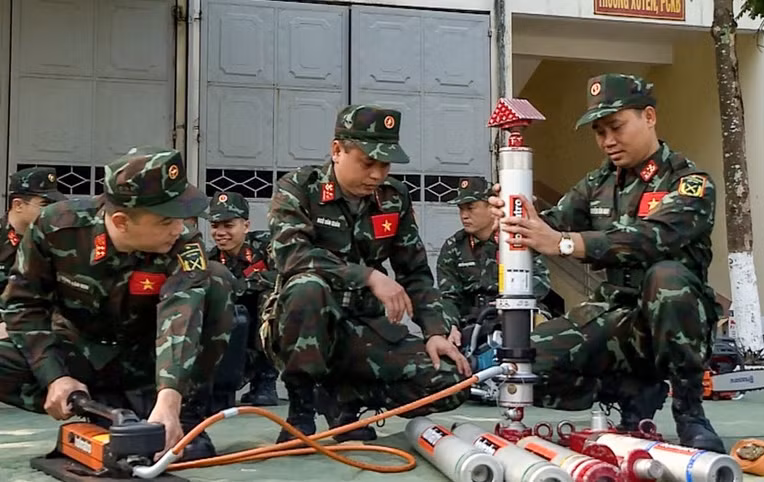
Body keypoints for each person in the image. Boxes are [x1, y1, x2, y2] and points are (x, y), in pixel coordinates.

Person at [489, 73, 726, 453]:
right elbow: (550, 222)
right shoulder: (597, 182)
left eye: (616, 126)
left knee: (667, 278)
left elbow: (650, 239)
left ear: (649, 117)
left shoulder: (689, 181)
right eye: (599, 132)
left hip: (670, 319)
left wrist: (564, 244)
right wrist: (511, 210)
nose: (608, 141)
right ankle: (632, 392)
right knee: (530, 365)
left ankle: (690, 412)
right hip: (615, 316)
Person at [0, 146, 236, 462]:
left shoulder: (183, 242)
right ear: (122, 221)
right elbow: (23, 305)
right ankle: (101, 409)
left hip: (148, 363)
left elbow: (183, 311)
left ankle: (181, 421)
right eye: (166, 220)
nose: (179, 228)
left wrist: (170, 398)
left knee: (216, 281)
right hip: (78, 358)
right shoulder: (57, 228)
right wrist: (54, 376)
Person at [266, 104, 471, 444]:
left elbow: (415, 274)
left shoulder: (394, 198)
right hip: (304, 325)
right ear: (337, 151)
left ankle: (345, 399)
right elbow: (292, 256)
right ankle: (301, 413)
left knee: (451, 380)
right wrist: (369, 277)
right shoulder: (300, 188)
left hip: (363, 329)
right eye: (367, 162)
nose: (377, 174)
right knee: (307, 287)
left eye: (385, 164)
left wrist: (435, 330)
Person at [437, 175, 551, 347]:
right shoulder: (454, 246)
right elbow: (449, 296)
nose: (464, 215)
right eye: (461, 209)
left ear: (491, 207)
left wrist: (510, 302)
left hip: (519, 312)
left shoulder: (515, 238)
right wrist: (450, 325)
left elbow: (541, 281)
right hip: (473, 321)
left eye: (470, 208)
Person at [207, 191, 279, 407]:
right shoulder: (210, 260)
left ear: (246, 226)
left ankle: (265, 381)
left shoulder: (266, 246)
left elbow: (286, 275)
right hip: (235, 329)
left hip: (266, 321)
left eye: (228, 226)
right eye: (215, 226)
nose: (220, 233)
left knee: (269, 299)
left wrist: (245, 285)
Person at [0, 167, 67, 295]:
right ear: (18, 205)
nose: (52, 211)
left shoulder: (54, 240)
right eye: (45, 205)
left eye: (55, 205)